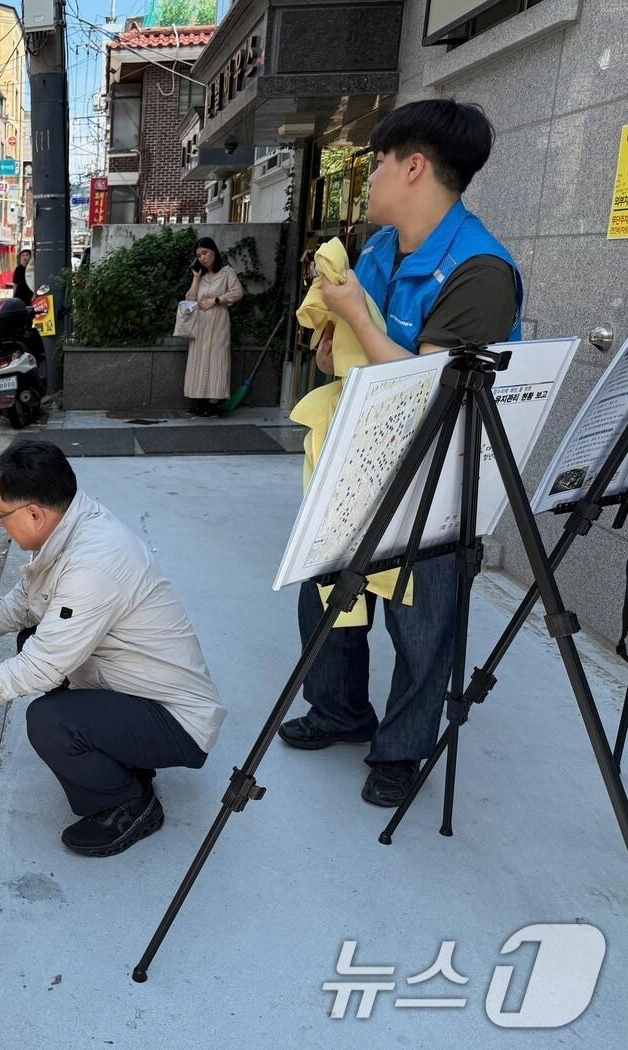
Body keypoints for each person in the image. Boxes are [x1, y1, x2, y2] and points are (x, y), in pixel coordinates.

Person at [278, 100, 523, 806]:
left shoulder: (480, 272)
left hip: (437, 474)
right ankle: (339, 711)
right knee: (327, 591)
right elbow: (348, 366)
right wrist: (333, 338)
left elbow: (427, 392)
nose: (372, 177)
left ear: (414, 166)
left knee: (423, 617)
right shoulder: (381, 249)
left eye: (379, 162)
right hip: (359, 456)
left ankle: (402, 749)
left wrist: (355, 316)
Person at [0, 440, 227, 858]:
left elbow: (40, 669)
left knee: (50, 721)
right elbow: (25, 601)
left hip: (177, 721)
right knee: (32, 636)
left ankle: (130, 804)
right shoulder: (73, 524)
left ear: (34, 513)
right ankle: (127, 761)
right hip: (140, 692)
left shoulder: (93, 563)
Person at [183, 237, 244, 418]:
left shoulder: (226, 273)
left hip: (218, 323)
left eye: (205, 253)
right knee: (198, 359)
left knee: (216, 359)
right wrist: (195, 277)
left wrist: (217, 300)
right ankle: (199, 401)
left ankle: (213, 403)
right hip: (200, 324)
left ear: (214, 252)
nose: (202, 258)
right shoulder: (200, 276)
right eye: (199, 255)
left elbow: (237, 292)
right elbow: (191, 299)